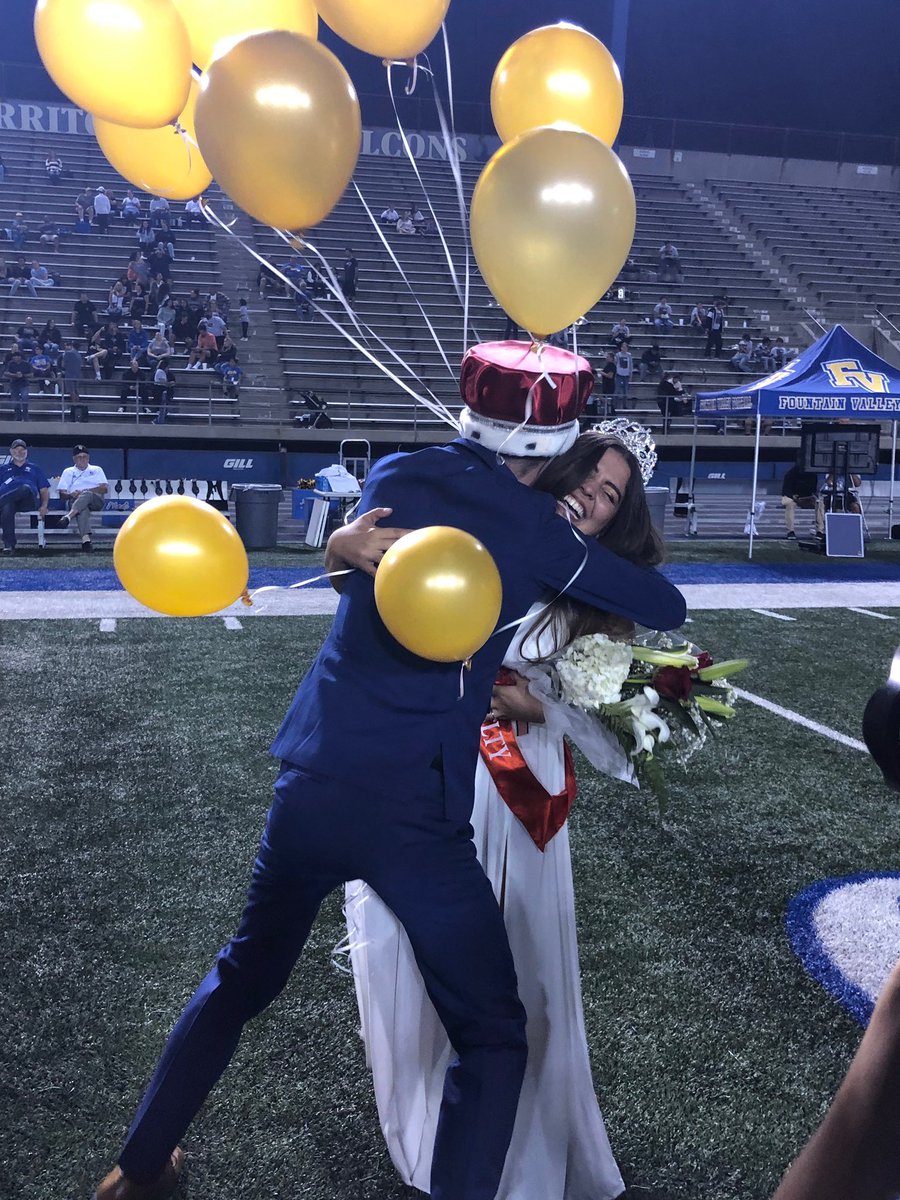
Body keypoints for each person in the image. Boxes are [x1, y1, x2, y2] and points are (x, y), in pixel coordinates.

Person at [91, 341, 686, 1200]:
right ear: (550, 444)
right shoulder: (531, 531)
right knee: (492, 1031)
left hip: (317, 776)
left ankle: (137, 1170)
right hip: (416, 811)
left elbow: (352, 582)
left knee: (240, 977)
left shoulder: (398, 469)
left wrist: (336, 541)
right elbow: (663, 604)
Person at [333, 427, 661, 1200]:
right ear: (559, 468)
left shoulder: (600, 587)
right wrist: (341, 546)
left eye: (612, 493)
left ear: (619, 515)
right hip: (440, 762)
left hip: (522, 792)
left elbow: (609, 731)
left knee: (524, 967)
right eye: (589, 475)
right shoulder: (486, 530)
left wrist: (539, 705)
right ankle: (426, 1115)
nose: (592, 494)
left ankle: (525, 1149)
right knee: (418, 952)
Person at [0, 438, 49, 553]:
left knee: (25, 488)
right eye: (17, 450)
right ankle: (9, 545)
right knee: (7, 506)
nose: (20, 452)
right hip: (8, 502)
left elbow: (44, 490)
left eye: (22, 450)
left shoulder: (35, 468)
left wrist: (44, 505)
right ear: (11, 452)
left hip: (28, 501)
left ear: (26, 452)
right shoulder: (2, 469)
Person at [57, 444, 108, 550]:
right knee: (82, 509)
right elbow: (62, 494)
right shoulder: (68, 472)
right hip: (75, 501)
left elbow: (104, 489)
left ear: (88, 458)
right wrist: (71, 494)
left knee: (86, 495)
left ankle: (68, 517)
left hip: (95, 500)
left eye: (84, 457)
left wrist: (85, 491)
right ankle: (86, 541)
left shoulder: (96, 469)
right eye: (79, 457)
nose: (82, 459)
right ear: (74, 459)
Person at [780, 457, 820, 540]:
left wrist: (812, 496)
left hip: (806, 498)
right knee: (790, 504)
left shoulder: (812, 474)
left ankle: (820, 531)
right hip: (793, 497)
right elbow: (785, 491)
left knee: (820, 503)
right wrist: (792, 496)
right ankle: (790, 531)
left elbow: (813, 490)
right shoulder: (790, 474)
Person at [5, 347, 32, 418]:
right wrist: (15, 375)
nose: (15, 357)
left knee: (25, 398)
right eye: (14, 356)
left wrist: (22, 375)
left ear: (20, 357)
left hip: (24, 384)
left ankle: (25, 415)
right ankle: (18, 416)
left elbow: (31, 374)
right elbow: (6, 373)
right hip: (14, 384)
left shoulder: (26, 364)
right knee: (15, 401)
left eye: (17, 356)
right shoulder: (10, 363)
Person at [614, 341, 633, 406]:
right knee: (617, 390)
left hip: (626, 375)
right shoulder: (618, 355)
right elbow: (616, 363)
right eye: (623, 347)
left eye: (625, 347)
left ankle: (625, 405)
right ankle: (615, 405)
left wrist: (630, 374)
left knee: (625, 391)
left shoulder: (629, 355)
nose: (624, 348)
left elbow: (630, 365)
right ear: (621, 348)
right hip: (619, 374)